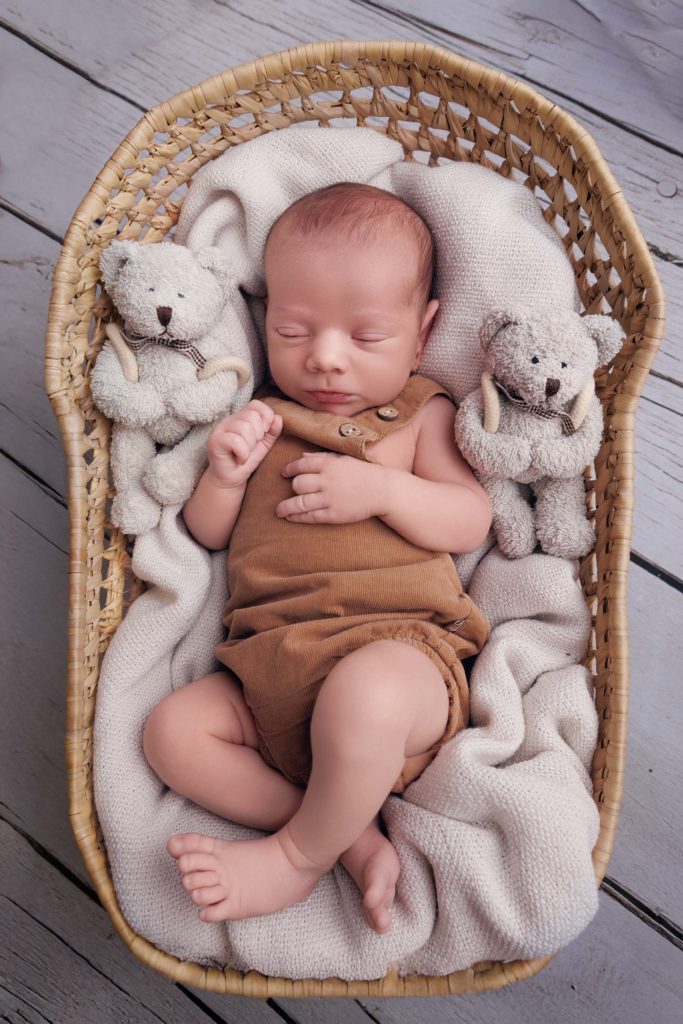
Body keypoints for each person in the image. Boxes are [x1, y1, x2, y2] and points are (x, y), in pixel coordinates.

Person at [142, 182, 492, 935]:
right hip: (270, 673)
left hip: (397, 663)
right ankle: (348, 837)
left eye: (366, 337)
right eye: (294, 331)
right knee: (170, 733)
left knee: (365, 695)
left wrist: (383, 490)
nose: (326, 359)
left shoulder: (417, 415)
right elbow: (207, 534)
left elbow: (470, 519)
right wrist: (223, 476)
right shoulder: (262, 416)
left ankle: (296, 856)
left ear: (422, 334)